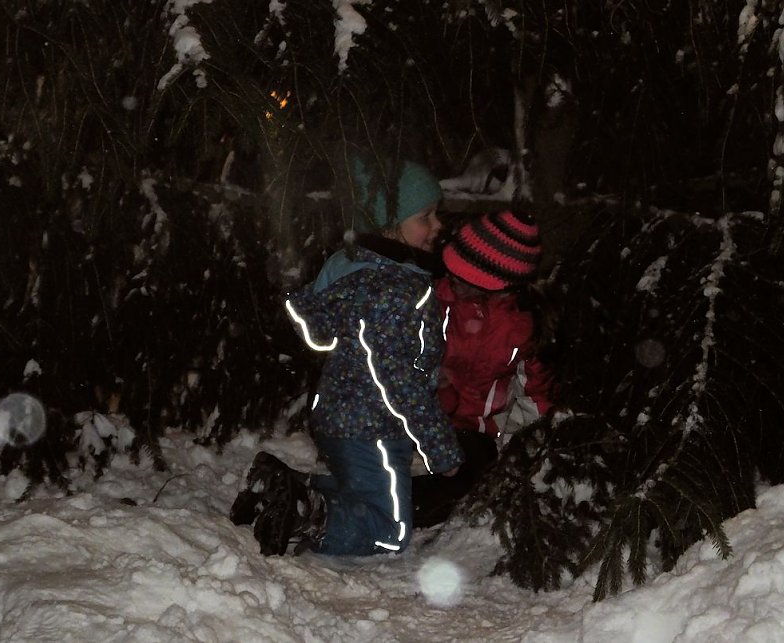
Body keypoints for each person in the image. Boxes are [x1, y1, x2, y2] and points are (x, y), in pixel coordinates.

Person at [230, 154, 464, 556]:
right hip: (373, 427)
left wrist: (429, 370)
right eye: (425, 217)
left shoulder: (357, 270)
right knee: (390, 529)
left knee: (360, 493)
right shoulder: (393, 290)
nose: (437, 226)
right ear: (388, 224)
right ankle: (304, 512)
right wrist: (437, 446)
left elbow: (365, 348)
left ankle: (284, 488)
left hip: (342, 416)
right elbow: (395, 377)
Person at [411, 208, 555, 527]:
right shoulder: (433, 301)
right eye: (453, 272)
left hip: (476, 434)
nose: (454, 281)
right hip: (421, 423)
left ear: (498, 284)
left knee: (450, 486)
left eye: (466, 278)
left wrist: (519, 448)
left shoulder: (520, 328)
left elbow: (534, 398)